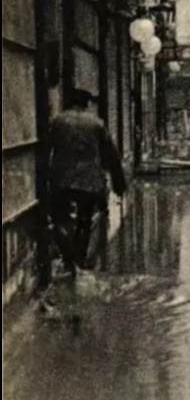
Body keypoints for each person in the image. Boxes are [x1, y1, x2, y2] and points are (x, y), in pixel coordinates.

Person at [40, 90, 127, 293]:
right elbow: (111, 155)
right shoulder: (96, 124)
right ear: (85, 104)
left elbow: (45, 150)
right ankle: (78, 261)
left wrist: (42, 179)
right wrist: (118, 182)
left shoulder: (57, 122)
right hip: (89, 181)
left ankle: (68, 255)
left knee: (60, 219)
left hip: (61, 179)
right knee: (84, 221)